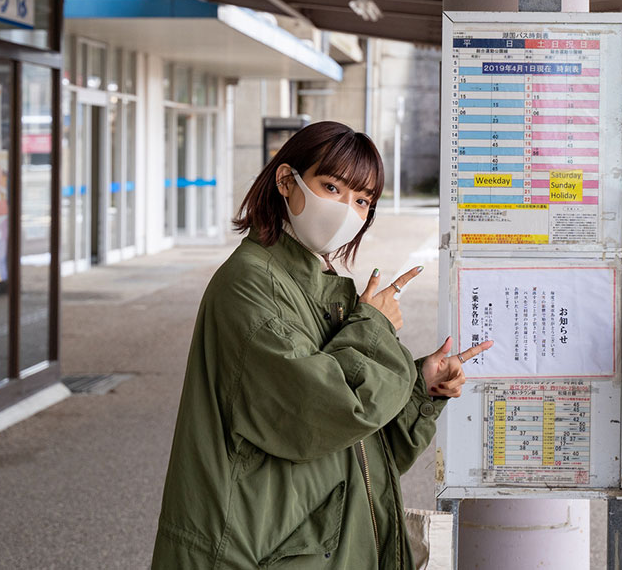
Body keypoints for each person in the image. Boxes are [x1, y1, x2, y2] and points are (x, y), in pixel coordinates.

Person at [152, 121, 491, 569]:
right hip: (252, 549)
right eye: (331, 187)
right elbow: (327, 410)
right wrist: (372, 326)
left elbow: (363, 447)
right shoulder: (250, 286)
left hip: (306, 543)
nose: (347, 210)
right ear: (287, 182)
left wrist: (419, 388)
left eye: (362, 200)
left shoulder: (317, 285)